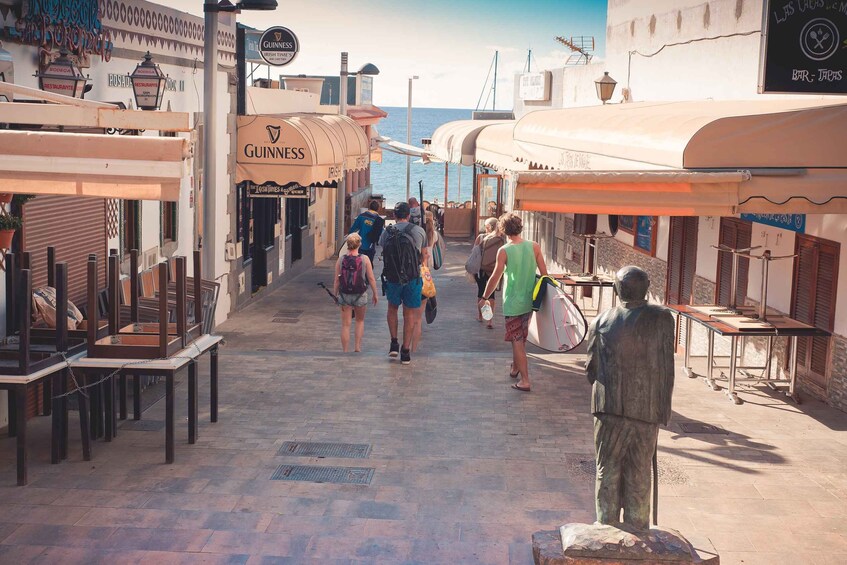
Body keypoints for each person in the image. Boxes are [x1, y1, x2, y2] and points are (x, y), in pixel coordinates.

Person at [585, 266, 675, 530]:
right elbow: (667, 369)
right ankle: (637, 527)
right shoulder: (662, 318)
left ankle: (606, 524)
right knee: (639, 471)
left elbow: (592, 372)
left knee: (607, 469)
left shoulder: (600, 322)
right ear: (647, 288)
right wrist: (662, 410)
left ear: (615, 289)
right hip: (646, 411)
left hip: (607, 409)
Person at [480, 212, 547, 392]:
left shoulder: (505, 251)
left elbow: (495, 277)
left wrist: (485, 297)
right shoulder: (534, 246)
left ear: (503, 230)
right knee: (520, 338)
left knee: (516, 340)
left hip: (512, 302)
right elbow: (544, 274)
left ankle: (525, 380)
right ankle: (516, 367)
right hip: (529, 300)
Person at [380, 202, 428, 365]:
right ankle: (405, 351)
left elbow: (383, 249)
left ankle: (394, 342)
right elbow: (425, 254)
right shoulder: (419, 231)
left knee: (392, 308)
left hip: (392, 276)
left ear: (394, 215)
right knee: (409, 314)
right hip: (412, 278)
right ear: (409, 215)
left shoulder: (387, 232)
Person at [333, 233, 378, 353]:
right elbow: (371, 278)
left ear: (347, 245)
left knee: (346, 324)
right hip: (360, 294)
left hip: (344, 294)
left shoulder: (341, 259)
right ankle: (357, 347)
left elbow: (337, 280)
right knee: (359, 321)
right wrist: (375, 293)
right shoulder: (365, 259)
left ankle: (345, 350)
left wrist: (335, 294)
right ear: (360, 245)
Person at [410, 211, 439, 352]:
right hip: (424, 270)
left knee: (409, 315)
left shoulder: (415, 238)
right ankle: (413, 349)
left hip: (412, 275)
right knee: (418, 319)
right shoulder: (434, 235)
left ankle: (406, 346)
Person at [473, 217, 505, 329]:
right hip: (494, 269)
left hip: (481, 270)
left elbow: (475, 253)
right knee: (491, 294)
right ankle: (490, 320)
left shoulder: (481, 237)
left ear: (488, 227)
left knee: (481, 292)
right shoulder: (500, 239)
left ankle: (481, 316)